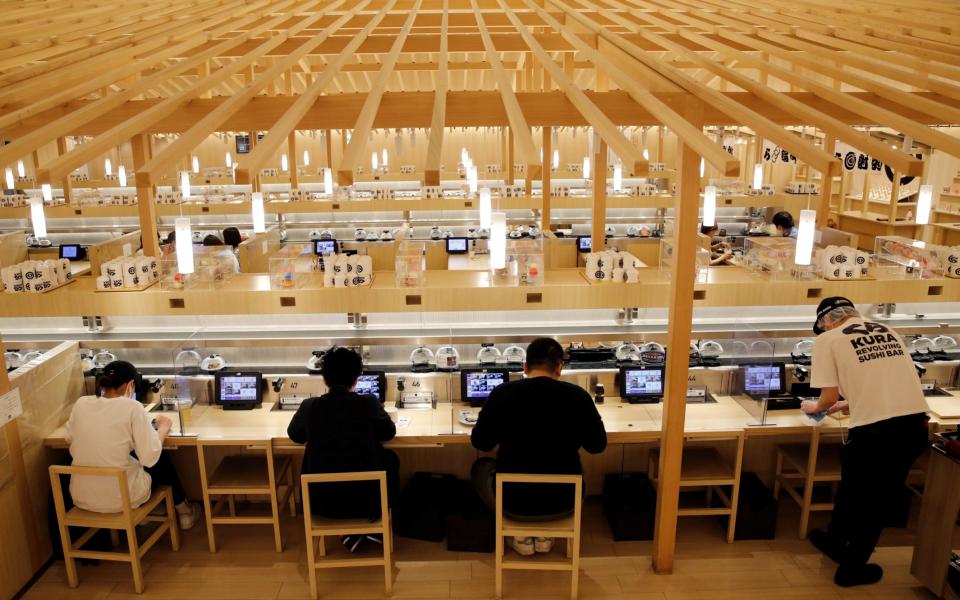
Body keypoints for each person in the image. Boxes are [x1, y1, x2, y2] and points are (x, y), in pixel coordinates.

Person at [800, 297, 929, 587]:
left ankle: (852, 568)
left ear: (826, 322)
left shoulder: (827, 340)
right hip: (910, 428)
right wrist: (844, 406)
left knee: (864, 497)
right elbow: (885, 385)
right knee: (863, 494)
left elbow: (827, 397)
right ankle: (835, 543)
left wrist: (816, 408)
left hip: (875, 433)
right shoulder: (887, 330)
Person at [471, 338, 607, 556]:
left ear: (525, 367)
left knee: (480, 467)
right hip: (564, 499)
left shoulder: (501, 394)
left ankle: (520, 536)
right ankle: (545, 536)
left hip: (513, 500)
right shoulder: (578, 396)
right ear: (559, 367)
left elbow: (481, 443)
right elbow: (597, 445)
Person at [65, 360, 200, 529]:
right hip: (122, 497)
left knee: (132, 457)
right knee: (159, 455)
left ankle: (155, 510)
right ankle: (184, 512)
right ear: (130, 385)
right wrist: (163, 428)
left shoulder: (81, 404)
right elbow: (150, 458)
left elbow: (69, 437)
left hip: (81, 495)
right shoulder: (133, 407)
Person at [287, 347, 398, 552]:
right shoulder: (369, 403)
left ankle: (352, 533)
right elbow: (388, 432)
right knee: (390, 458)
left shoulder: (309, 406)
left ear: (324, 380)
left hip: (320, 502)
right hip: (366, 502)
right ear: (356, 379)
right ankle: (377, 523)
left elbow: (295, 435)